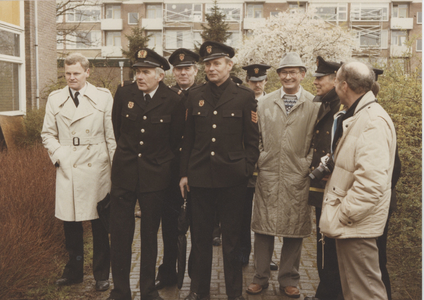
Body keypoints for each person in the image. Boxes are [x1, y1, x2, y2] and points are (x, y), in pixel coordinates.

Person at [179, 41, 259, 300]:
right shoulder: (195, 95)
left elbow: (252, 140)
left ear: (229, 65)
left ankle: (234, 293)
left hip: (233, 180)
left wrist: (245, 170)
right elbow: (188, 139)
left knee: (232, 241)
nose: (211, 68)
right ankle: (200, 292)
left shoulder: (244, 96)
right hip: (200, 178)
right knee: (200, 241)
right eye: (207, 64)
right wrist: (184, 173)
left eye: (216, 63)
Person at [107, 48, 185, 300]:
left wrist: (157, 163)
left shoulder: (173, 100)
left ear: (160, 75)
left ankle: (148, 291)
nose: (140, 76)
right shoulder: (124, 93)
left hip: (155, 176)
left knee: (150, 236)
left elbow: (174, 141)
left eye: (146, 72)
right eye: (137, 71)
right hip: (124, 174)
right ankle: (120, 291)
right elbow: (118, 130)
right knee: (120, 235)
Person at [319, 61, 396, 300]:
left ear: (343, 85)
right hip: (353, 226)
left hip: (357, 226)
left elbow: (372, 183)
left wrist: (344, 214)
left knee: (365, 293)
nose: (332, 85)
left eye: (335, 81)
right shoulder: (359, 115)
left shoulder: (372, 121)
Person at [41, 53, 116, 292]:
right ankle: (73, 273)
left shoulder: (103, 97)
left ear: (87, 72)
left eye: (76, 73)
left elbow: (111, 136)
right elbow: (47, 135)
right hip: (68, 166)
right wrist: (60, 156)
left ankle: (102, 275)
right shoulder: (55, 99)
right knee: (71, 226)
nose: (71, 78)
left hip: (97, 166)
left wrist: (116, 172)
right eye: (68, 74)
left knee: (99, 224)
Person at [247, 52, 319, 298]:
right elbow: (254, 136)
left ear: (303, 74)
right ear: (277, 76)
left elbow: (316, 141)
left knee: (294, 229)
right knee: (263, 228)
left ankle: (289, 278)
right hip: (268, 172)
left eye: (293, 72)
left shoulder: (314, 104)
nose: (288, 77)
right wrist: (262, 157)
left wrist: (306, 163)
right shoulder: (264, 102)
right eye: (284, 72)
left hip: (297, 175)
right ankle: (260, 277)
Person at [152, 48, 200, 290]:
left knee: (199, 226)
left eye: (187, 68)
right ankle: (168, 270)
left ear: (195, 71)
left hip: (198, 171)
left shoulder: (204, 95)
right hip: (170, 174)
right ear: (172, 72)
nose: (183, 72)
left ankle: (195, 276)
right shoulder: (165, 96)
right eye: (178, 69)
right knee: (170, 225)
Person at [305, 56, 343, 300]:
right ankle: (325, 291)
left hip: (332, 185)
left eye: (320, 78)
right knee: (322, 243)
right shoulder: (327, 103)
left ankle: (328, 293)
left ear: (334, 80)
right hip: (321, 185)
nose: (315, 82)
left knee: (329, 246)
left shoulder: (340, 106)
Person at [240, 63, 278, 269]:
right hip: (246, 166)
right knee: (243, 213)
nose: (257, 85)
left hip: (266, 166)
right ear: (248, 81)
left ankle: (265, 258)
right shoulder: (240, 101)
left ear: (266, 81)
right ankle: (243, 252)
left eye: (260, 81)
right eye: (253, 81)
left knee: (266, 213)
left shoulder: (273, 102)